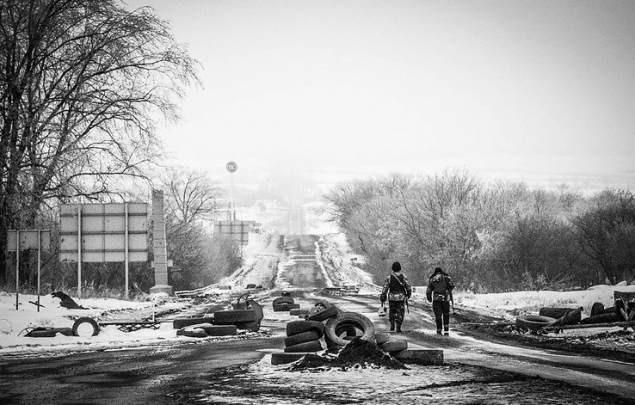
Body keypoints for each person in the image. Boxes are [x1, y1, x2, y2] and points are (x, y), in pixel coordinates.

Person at [380, 261, 412, 333]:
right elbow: (408, 287)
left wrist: (383, 295)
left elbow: (385, 288)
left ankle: (392, 324)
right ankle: (398, 327)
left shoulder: (389, 277)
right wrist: (408, 295)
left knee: (392, 311)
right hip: (401, 297)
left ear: (392, 268)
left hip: (392, 297)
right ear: (400, 268)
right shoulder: (403, 277)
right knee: (400, 312)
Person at [426, 267, 455, 335]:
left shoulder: (432, 279)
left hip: (436, 299)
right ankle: (446, 328)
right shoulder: (446, 277)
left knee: (438, 315)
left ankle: (439, 329)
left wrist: (429, 298)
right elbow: (452, 285)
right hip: (445, 299)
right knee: (446, 314)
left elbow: (429, 290)